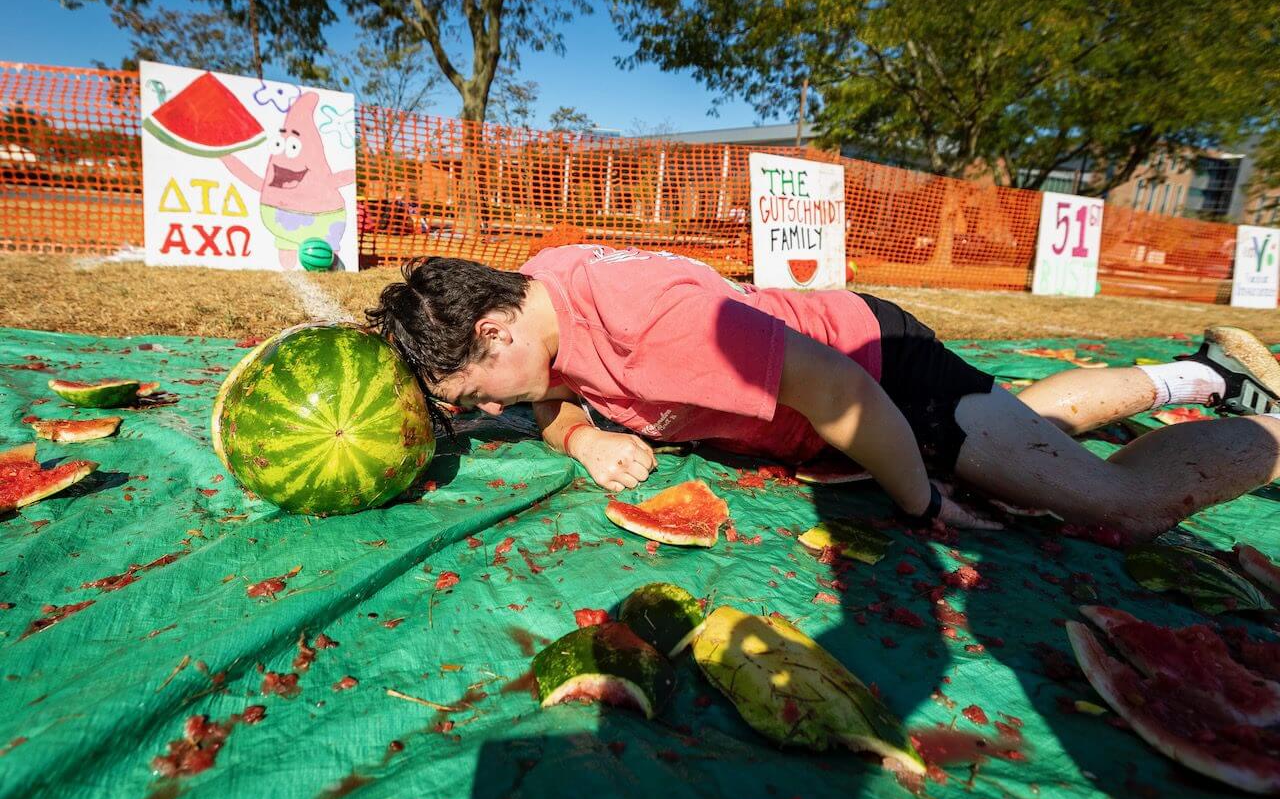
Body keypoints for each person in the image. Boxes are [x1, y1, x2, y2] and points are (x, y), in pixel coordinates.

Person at [366, 245, 1280, 541]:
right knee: (1034, 420)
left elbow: (843, 393)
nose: (489, 411)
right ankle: (1203, 373)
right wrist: (577, 437)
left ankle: (1265, 425)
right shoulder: (535, 288)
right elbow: (550, 394)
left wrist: (923, 505)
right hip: (838, 394)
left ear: (493, 331)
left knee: (1116, 503)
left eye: (474, 392)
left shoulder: (654, 325)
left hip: (880, 372)